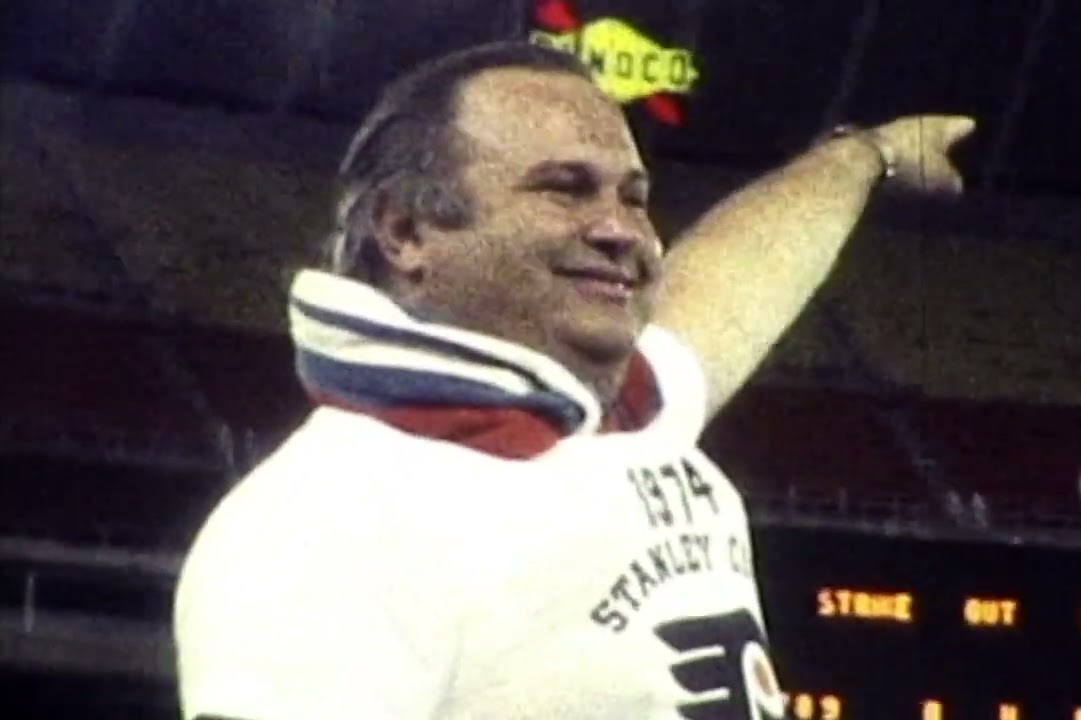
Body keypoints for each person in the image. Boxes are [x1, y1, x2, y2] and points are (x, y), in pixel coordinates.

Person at [173, 41, 972, 720]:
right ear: (406, 231)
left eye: (635, 196)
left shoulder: (607, 415)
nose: (621, 229)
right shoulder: (319, 525)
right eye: (564, 187)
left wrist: (863, 156)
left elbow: (733, 278)